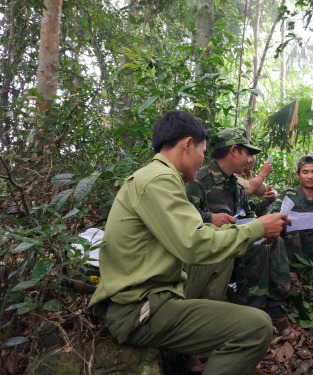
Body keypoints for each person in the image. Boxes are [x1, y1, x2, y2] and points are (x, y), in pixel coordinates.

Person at [88, 111, 288, 375]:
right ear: (187, 144)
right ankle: (207, 341)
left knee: (224, 247)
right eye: (203, 151)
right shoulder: (158, 180)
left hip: (154, 293)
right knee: (256, 327)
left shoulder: (160, 176)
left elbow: (193, 236)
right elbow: (194, 244)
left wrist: (237, 228)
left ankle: (204, 336)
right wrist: (257, 228)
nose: (203, 159)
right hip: (140, 309)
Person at [185, 128, 298, 338]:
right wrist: (210, 218)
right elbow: (181, 220)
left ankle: (274, 305)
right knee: (254, 249)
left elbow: (248, 215)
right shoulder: (198, 180)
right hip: (213, 253)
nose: (250, 159)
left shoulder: (235, 185)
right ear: (234, 150)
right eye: (247, 152)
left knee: (274, 241)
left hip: (236, 243)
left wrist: (268, 216)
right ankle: (250, 313)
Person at [267, 155, 313, 264]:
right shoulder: (289, 195)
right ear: (298, 175)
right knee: (276, 225)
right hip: (294, 245)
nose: (310, 176)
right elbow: (273, 212)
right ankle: (285, 268)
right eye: (305, 172)